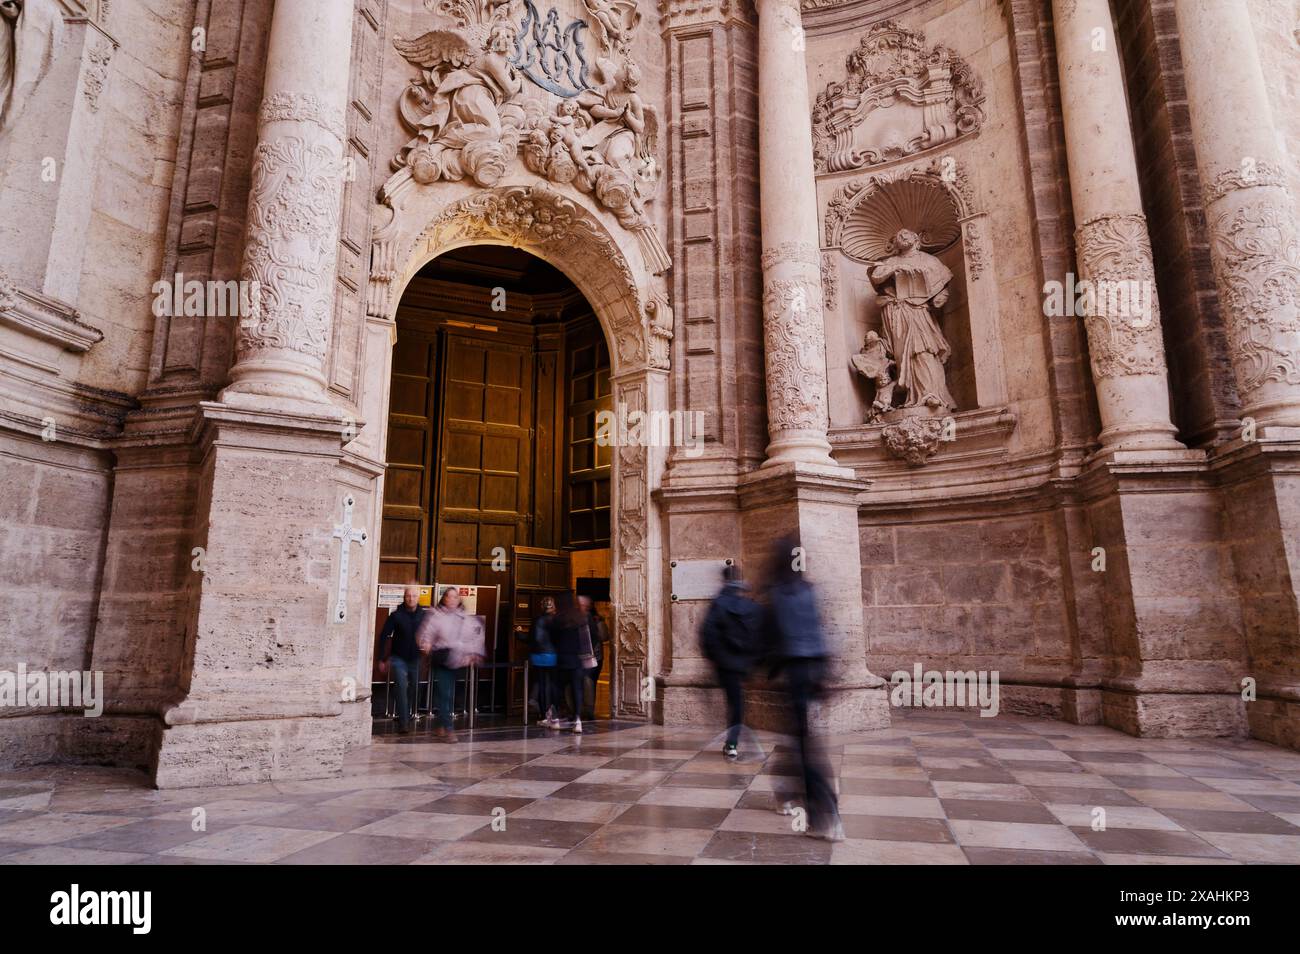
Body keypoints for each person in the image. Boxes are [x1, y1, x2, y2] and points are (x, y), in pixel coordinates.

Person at [764, 535, 844, 841]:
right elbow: (821, 629)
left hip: (795, 674)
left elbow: (776, 635)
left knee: (804, 747)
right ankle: (786, 795)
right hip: (813, 672)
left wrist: (768, 666)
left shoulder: (777, 594)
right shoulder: (808, 590)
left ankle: (826, 815)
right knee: (796, 740)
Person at [699, 564, 762, 759]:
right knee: (737, 702)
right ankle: (733, 740)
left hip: (725, 663)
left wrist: (713, 657)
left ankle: (732, 742)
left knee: (734, 702)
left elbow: (707, 634)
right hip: (744, 663)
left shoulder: (719, 603)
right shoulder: (750, 604)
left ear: (724, 579)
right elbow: (760, 632)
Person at [417, 586, 487, 743]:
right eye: (449, 596)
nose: (452, 600)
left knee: (446, 693)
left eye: (455, 597)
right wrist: (426, 644)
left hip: (456, 659)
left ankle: (440, 726)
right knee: (445, 694)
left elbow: (474, 635)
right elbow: (427, 633)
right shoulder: (436, 615)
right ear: (444, 599)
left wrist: (473, 653)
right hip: (441, 658)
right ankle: (449, 729)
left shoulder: (464, 617)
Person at [377, 585, 426, 733]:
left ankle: (404, 711)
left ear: (418, 598)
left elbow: (430, 632)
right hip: (398, 658)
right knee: (402, 686)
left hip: (415, 658)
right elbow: (384, 635)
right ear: (404, 597)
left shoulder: (423, 615)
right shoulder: (396, 615)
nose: (411, 599)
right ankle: (404, 722)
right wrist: (382, 658)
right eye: (408, 596)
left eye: (414, 596)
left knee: (414, 688)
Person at [550, 591, 595, 734]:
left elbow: (553, 640)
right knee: (577, 689)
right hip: (576, 659)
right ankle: (577, 720)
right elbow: (586, 640)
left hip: (561, 659)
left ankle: (556, 719)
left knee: (557, 688)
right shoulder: (580, 619)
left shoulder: (557, 619)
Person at [527, 596, 559, 727]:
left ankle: (543, 713)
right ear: (553, 606)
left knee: (541, 684)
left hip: (539, 657)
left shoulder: (537, 620)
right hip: (553, 656)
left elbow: (531, 638)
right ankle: (554, 712)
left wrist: (518, 633)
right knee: (552, 684)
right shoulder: (557, 620)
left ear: (542, 606)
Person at [577, 594, 608, 722]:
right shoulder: (579, 618)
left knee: (588, 680)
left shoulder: (595, 620)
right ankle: (584, 710)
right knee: (587, 681)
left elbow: (604, 636)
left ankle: (587, 710)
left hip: (593, 656)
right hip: (589, 656)